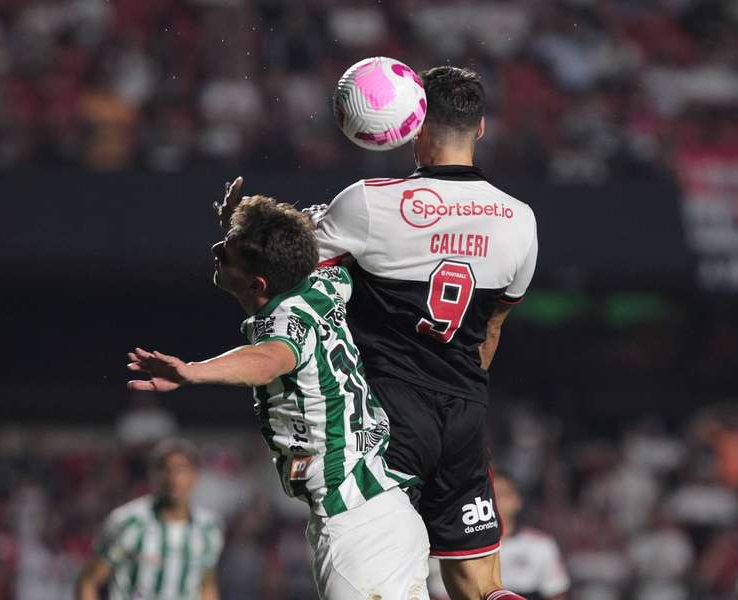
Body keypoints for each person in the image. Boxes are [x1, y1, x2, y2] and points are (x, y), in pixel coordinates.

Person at [219, 66, 537, 600]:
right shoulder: (520, 220)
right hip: (463, 413)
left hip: (385, 418)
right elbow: (493, 330)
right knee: (482, 586)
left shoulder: (370, 203)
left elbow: (282, 265)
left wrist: (237, 229)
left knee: (374, 565)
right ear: (480, 128)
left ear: (415, 125)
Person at [127, 195, 430, 600]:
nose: (216, 251)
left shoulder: (282, 319)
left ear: (258, 284)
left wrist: (193, 371)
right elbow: (303, 251)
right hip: (382, 513)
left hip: (357, 528)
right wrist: (247, 229)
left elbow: (270, 358)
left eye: (227, 253)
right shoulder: (322, 286)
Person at [76, 438, 223, 600]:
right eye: (166, 469)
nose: (173, 478)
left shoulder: (208, 528)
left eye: (181, 470)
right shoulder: (129, 522)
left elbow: (206, 585)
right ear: (153, 475)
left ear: (195, 475)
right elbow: (89, 580)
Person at [429, 473, 570, 600]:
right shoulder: (454, 548)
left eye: (502, 495)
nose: (496, 501)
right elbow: (440, 594)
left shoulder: (541, 545)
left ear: (517, 501)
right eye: (490, 494)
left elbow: (556, 593)